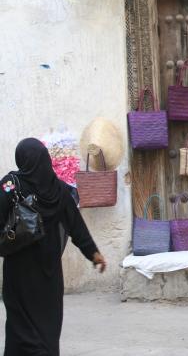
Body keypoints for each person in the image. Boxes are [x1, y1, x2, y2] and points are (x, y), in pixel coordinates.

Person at [0, 138, 107, 355]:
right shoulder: (59, 190)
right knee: (46, 324)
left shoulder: (11, 185)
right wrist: (93, 253)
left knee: (19, 325)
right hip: (49, 275)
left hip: (19, 271)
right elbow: (76, 226)